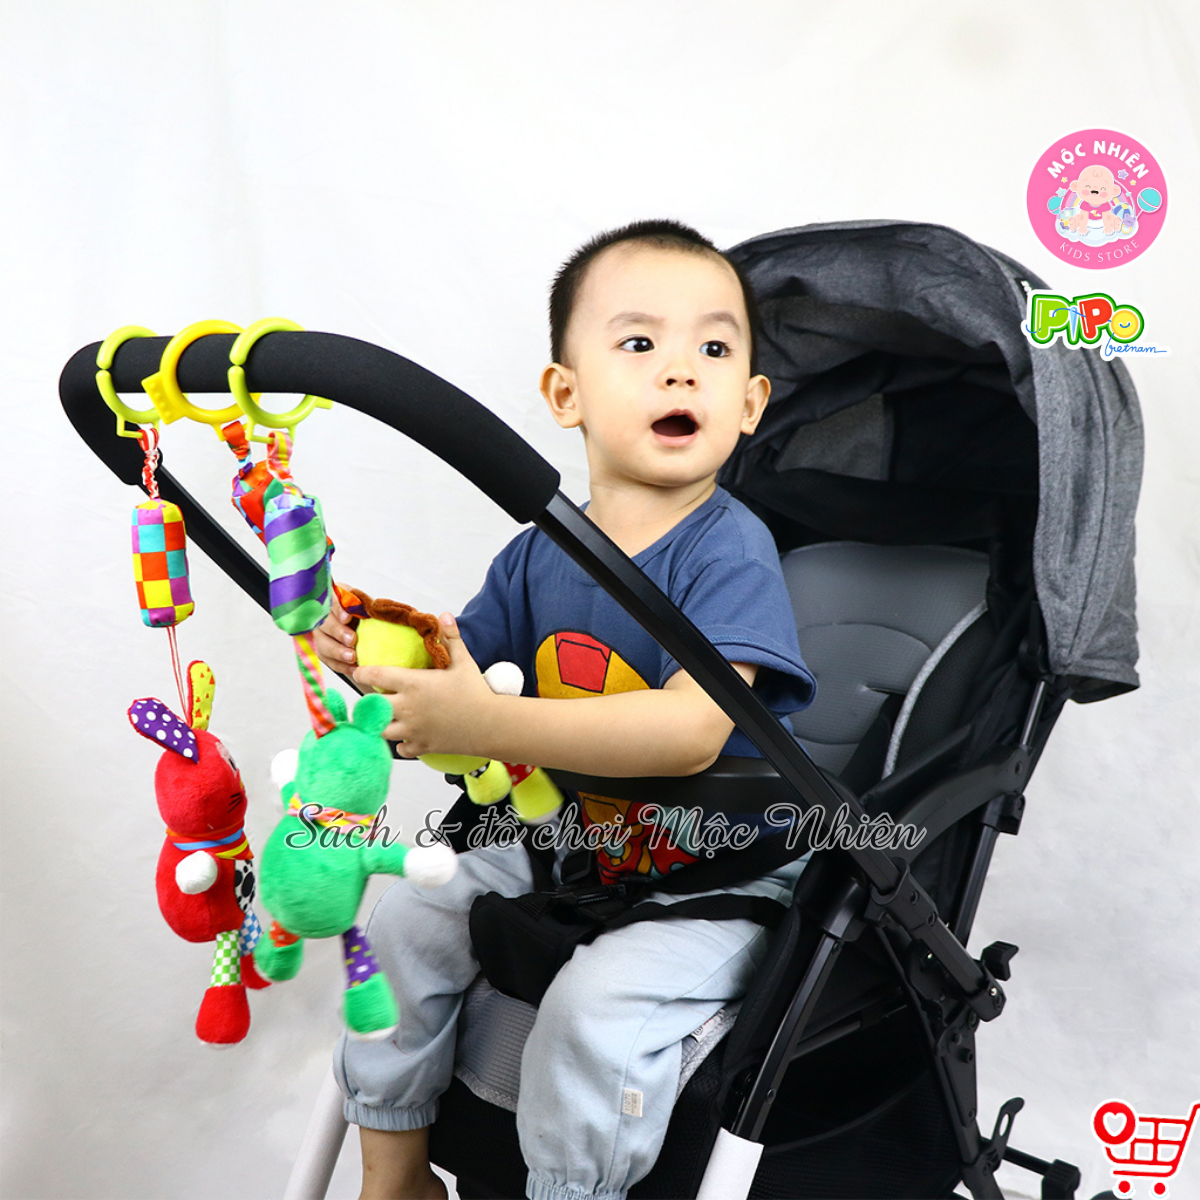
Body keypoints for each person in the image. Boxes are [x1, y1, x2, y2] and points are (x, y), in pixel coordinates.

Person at [316, 220, 816, 1200]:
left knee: (592, 1011)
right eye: (641, 342)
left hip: (720, 868)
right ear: (564, 394)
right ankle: (397, 1175)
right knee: (406, 919)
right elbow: (465, 688)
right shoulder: (537, 553)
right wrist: (377, 657)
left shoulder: (729, 551)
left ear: (752, 403)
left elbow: (692, 731)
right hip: (572, 837)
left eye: (714, 350)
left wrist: (489, 725)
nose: (682, 371)